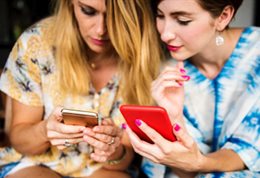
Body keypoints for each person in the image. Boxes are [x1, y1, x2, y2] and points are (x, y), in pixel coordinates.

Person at [0, 0, 162, 177]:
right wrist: (45, 131)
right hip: (35, 162)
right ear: (70, 5)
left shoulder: (143, 57)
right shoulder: (37, 42)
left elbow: (123, 161)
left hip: (102, 168)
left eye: (115, 17)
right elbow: (20, 141)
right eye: (88, 11)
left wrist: (113, 152)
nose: (101, 30)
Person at [123, 0, 260, 177]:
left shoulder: (256, 51)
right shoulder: (163, 75)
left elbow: (250, 152)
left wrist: (200, 163)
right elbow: (183, 170)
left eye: (182, 20)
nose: (165, 34)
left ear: (223, 17)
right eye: (160, 16)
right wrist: (175, 119)